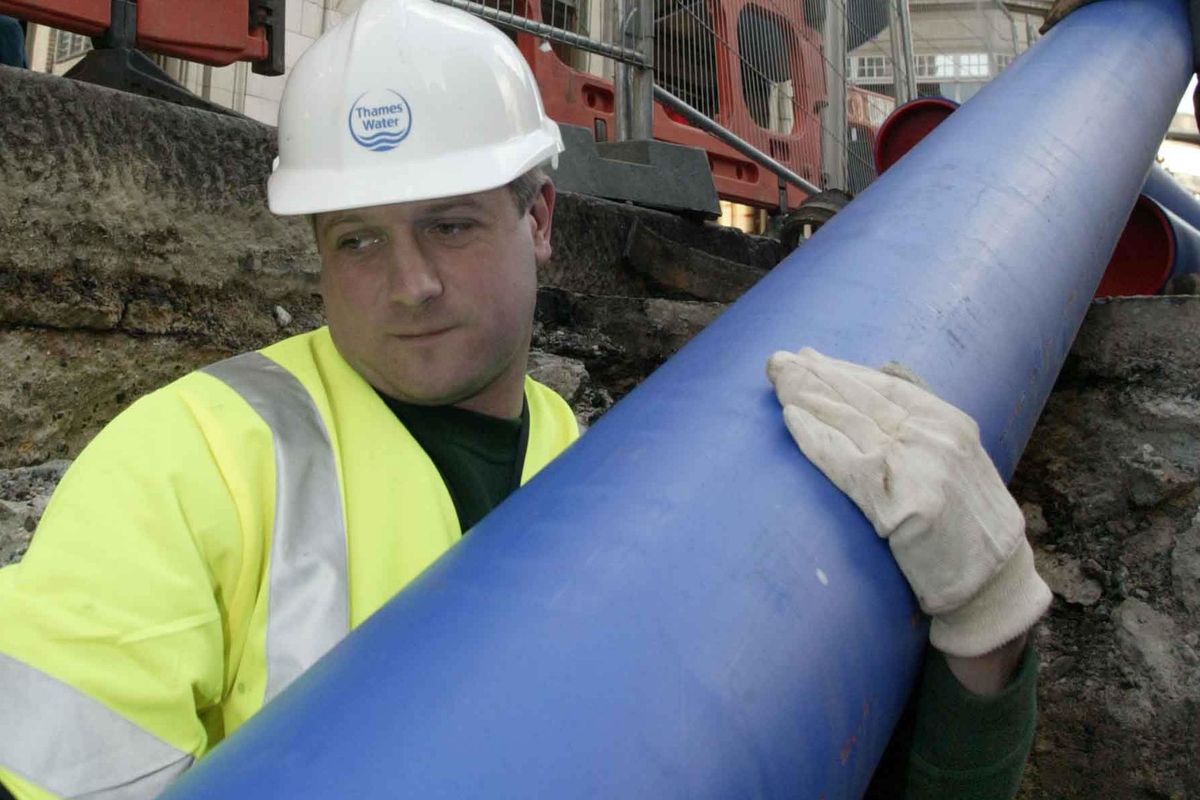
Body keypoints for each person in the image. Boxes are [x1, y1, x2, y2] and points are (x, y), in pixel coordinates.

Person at [0, 0, 1050, 797]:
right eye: (356, 240)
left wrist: (988, 634)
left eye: (450, 224)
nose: (407, 284)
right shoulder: (181, 465)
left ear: (538, 217)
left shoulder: (578, 454)